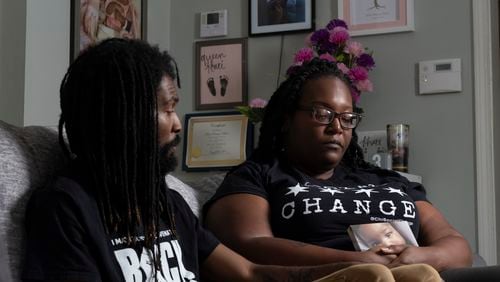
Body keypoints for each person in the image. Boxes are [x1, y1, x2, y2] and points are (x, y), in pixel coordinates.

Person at [20, 38, 438, 282]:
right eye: (167, 109)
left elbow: (249, 274)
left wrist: (342, 271)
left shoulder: (167, 204)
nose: (177, 125)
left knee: (399, 277)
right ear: (123, 115)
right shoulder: (66, 208)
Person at [202, 55, 500, 280]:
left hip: (410, 273)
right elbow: (246, 245)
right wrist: (352, 261)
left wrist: (421, 255)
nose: (336, 128)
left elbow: (456, 245)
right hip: (332, 276)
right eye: (322, 114)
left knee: (422, 274)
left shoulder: (389, 179)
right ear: (287, 119)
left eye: (347, 118)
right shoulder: (259, 174)